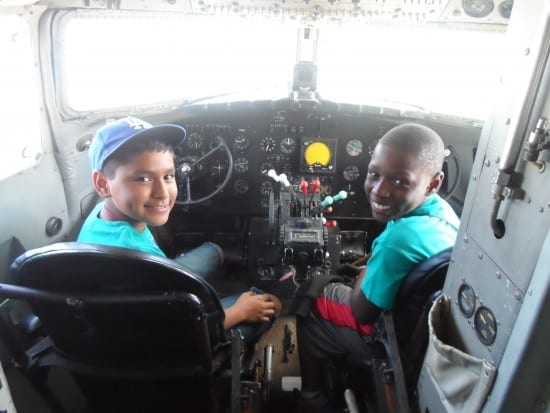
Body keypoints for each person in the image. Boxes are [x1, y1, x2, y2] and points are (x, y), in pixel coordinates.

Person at [295, 123, 460, 412]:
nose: (379, 191)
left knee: (310, 298)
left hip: (388, 334)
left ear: (433, 183)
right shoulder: (443, 213)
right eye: (374, 174)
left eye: (399, 181)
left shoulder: (398, 240)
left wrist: (363, 273)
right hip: (417, 325)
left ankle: (312, 399)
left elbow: (362, 311)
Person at [77, 116, 281, 343]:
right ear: (103, 183)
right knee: (269, 301)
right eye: (143, 178)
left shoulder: (99, 216)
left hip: (138, 301)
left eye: (168, 176)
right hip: (167, 342)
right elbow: (176, 331)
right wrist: (241, 311)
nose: (162, 193)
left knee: (215, 251)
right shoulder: (143, 264)